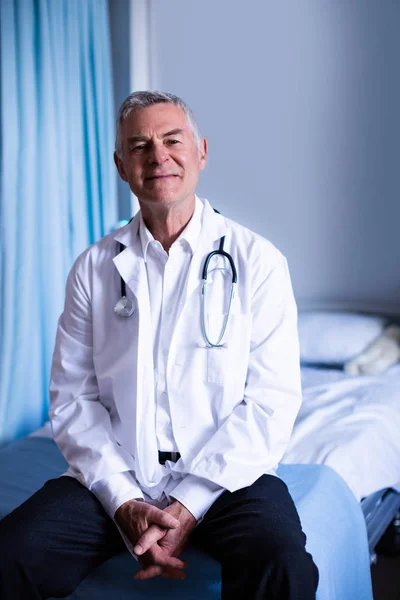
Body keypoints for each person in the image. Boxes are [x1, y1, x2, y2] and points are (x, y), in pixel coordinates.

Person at [0, 91, 319, 599]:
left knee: (281, 562)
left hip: (226, 480)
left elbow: (270, 402)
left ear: (201, 152)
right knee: (11, 551)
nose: (158, 156)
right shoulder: (94, 267)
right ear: (121, 165)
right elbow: (72, 399)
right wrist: (124, 499)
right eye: (140, 145)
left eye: (172, 141)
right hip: (116, 475)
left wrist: (188, 503)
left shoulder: (257, 260)